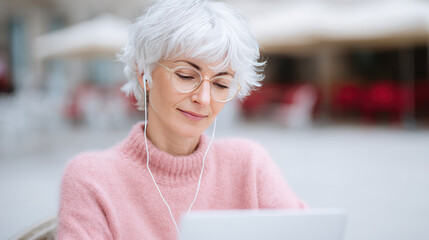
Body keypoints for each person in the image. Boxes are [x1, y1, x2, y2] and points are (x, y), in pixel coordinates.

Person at [57, 0, 307, 239]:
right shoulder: (92, 179)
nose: (204, 98)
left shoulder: (249, 165)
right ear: (144, 73)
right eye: (186, 76)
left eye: (221, 83)